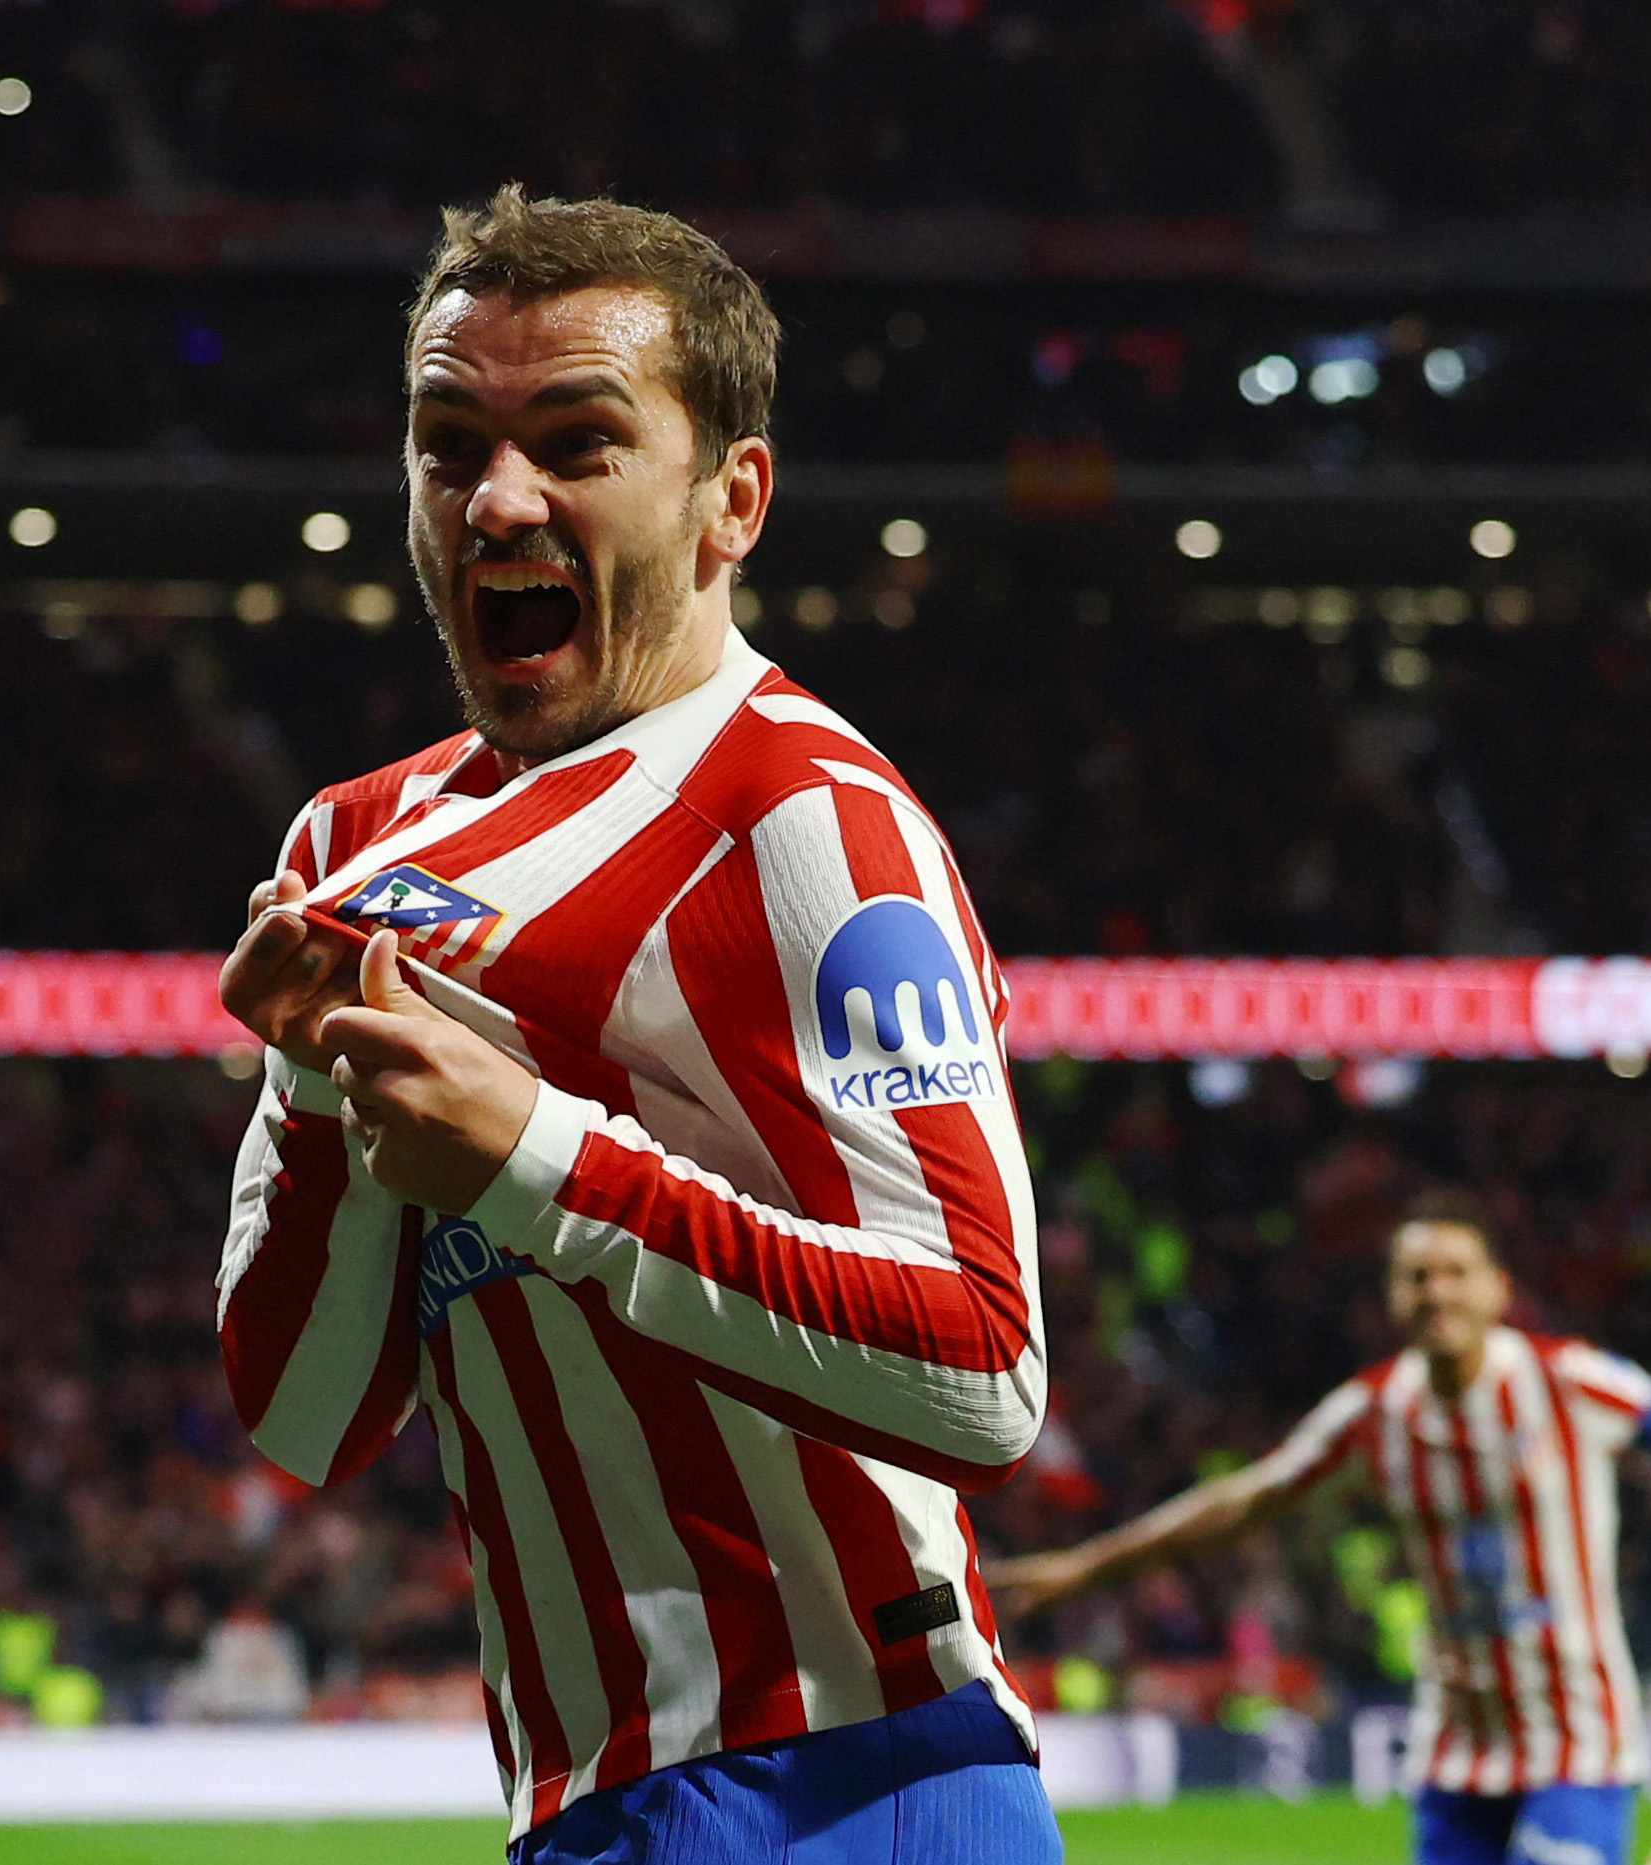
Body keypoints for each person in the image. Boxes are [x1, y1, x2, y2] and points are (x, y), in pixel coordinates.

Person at [212, 186, 1056, 1865]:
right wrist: (319, 1095)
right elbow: (303, 1416)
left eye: (578, 443)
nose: (498, 499)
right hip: (588, 1805)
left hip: (858, 1782)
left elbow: (986, 1367)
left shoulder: (809, 819)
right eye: (449, 444)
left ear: (731, 498)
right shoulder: (347, 852)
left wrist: (532, 1156)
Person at [987, 1187, 1651, 1865]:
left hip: (1573, 1726)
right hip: (1456, 1739)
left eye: (1453, 1270)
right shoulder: (1373, 1410)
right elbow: (1243, 1498)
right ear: (1392, 1294)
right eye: (1414, 1273)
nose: (1434, 1289)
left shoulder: (1568, 1381)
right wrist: (1087, 1563)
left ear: (1495, 1289)